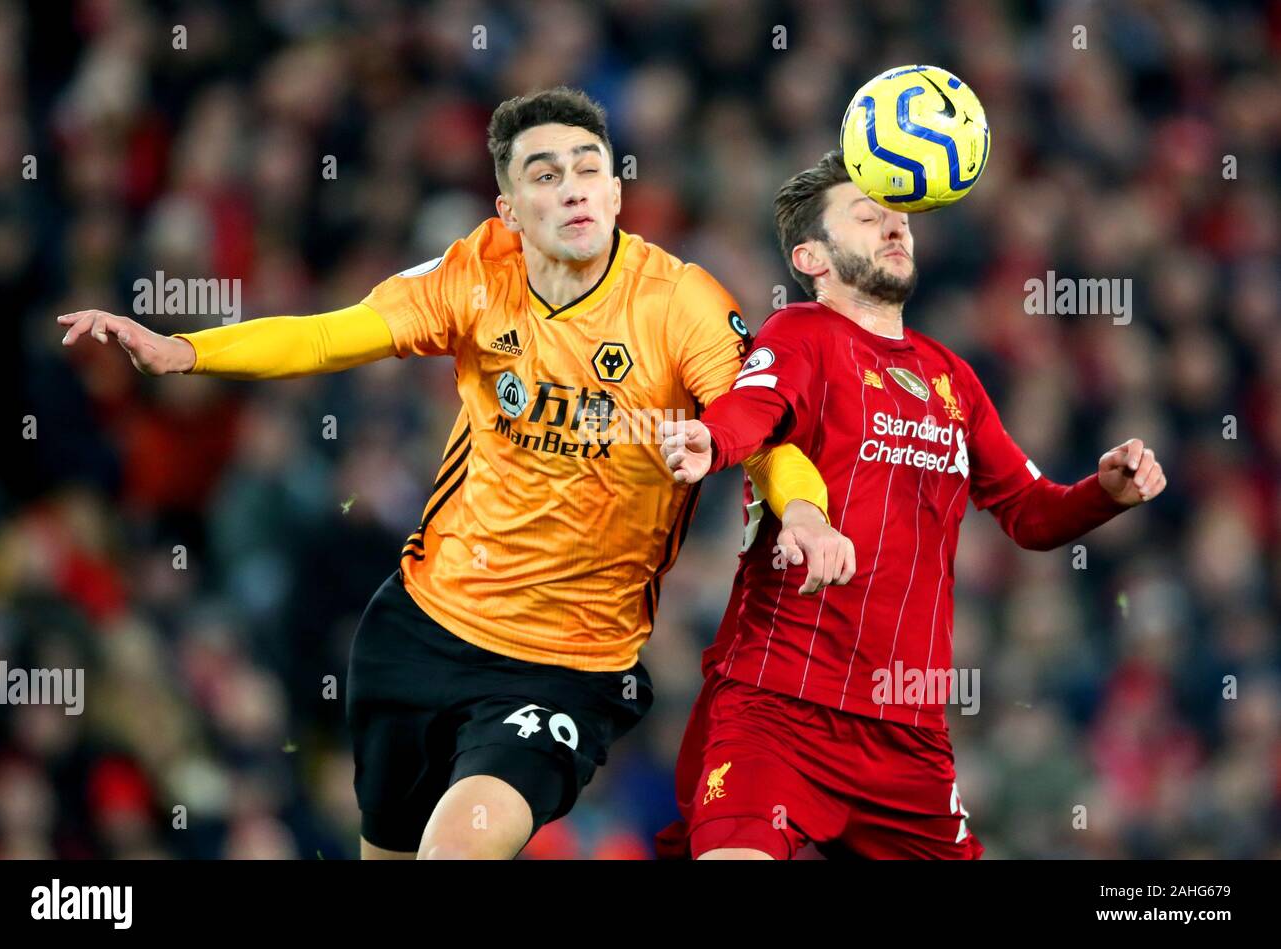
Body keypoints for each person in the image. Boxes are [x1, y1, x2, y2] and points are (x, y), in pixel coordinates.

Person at [57, 88, 852, 860]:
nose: (572, 188)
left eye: (588, 168)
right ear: (510, 210)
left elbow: (765, 435)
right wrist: (188, 351)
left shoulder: (682, 306)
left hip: (567, 663)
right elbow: (331, 337)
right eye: (544, 174)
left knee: (458, 849)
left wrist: (807, 515)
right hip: (420, 632)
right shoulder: (476, 273)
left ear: (616, 191)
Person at [656, 150, 1166, 859]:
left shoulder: (950, 375)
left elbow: (1029, 511)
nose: (895, 228)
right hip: (781, 705)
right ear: (812, 257)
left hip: (907, 734)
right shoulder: (802, 334)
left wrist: (1103, 492)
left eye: (900, 218)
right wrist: (710, 444)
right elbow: (755, 408)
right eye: (868, 218)